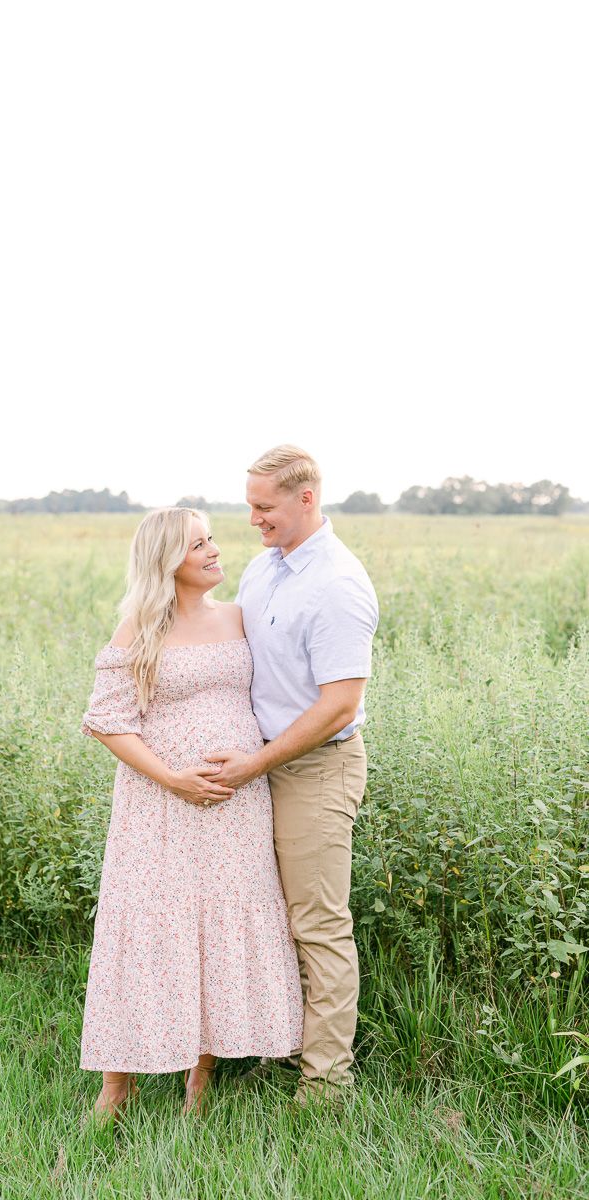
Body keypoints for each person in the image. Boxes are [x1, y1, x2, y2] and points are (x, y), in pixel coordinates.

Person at [79, 506, 303, 1121]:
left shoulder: (238, 617)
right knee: (147, 926)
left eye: (211, 539)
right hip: (158, 806)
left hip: (235, 806)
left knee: (213, 929)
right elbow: (108, 721)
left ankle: (199, 1079)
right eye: (197, 544)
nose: (213, 550)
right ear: (167, 560)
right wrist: (174, 779)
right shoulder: (139, 627)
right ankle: (116, 1085)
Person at [206, 445, 379, 1106]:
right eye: (249, 505)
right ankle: (277, 1047)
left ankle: (325, 1084)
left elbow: (338, 704)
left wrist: (254, 763)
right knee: (266, 917)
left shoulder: (337, 584)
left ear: (306, 498)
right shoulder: (264, 568)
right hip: (259, 764)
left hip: (314, 769)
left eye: (264, 506)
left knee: (317, 923)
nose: (252, 519)